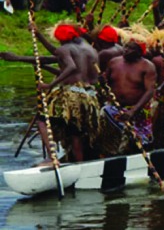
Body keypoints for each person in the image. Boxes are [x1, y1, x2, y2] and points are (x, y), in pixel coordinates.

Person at [1, 24, 100, 162]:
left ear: (59, 39)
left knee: (42, 120)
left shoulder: (64, 49)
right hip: (89, 96)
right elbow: (52, 57)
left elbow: (71, 66)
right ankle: (79, 161)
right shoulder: (88, 49)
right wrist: (36, 35)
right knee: (74, 129)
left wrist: (50, 84)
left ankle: (52, 158)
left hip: (72, 95)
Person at [101, 37, 157, 156]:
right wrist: (102, 81)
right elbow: (107, 83)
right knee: (113, 139)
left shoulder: (147, 66)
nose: (126, 50)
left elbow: (149, 91)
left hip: (138, 110)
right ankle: (115, 158)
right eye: (126, 47)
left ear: (139, 52)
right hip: (115, 108)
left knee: (141, 142)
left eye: (131, 48)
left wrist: (133, 111)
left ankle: (144, 159)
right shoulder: (114, 62)